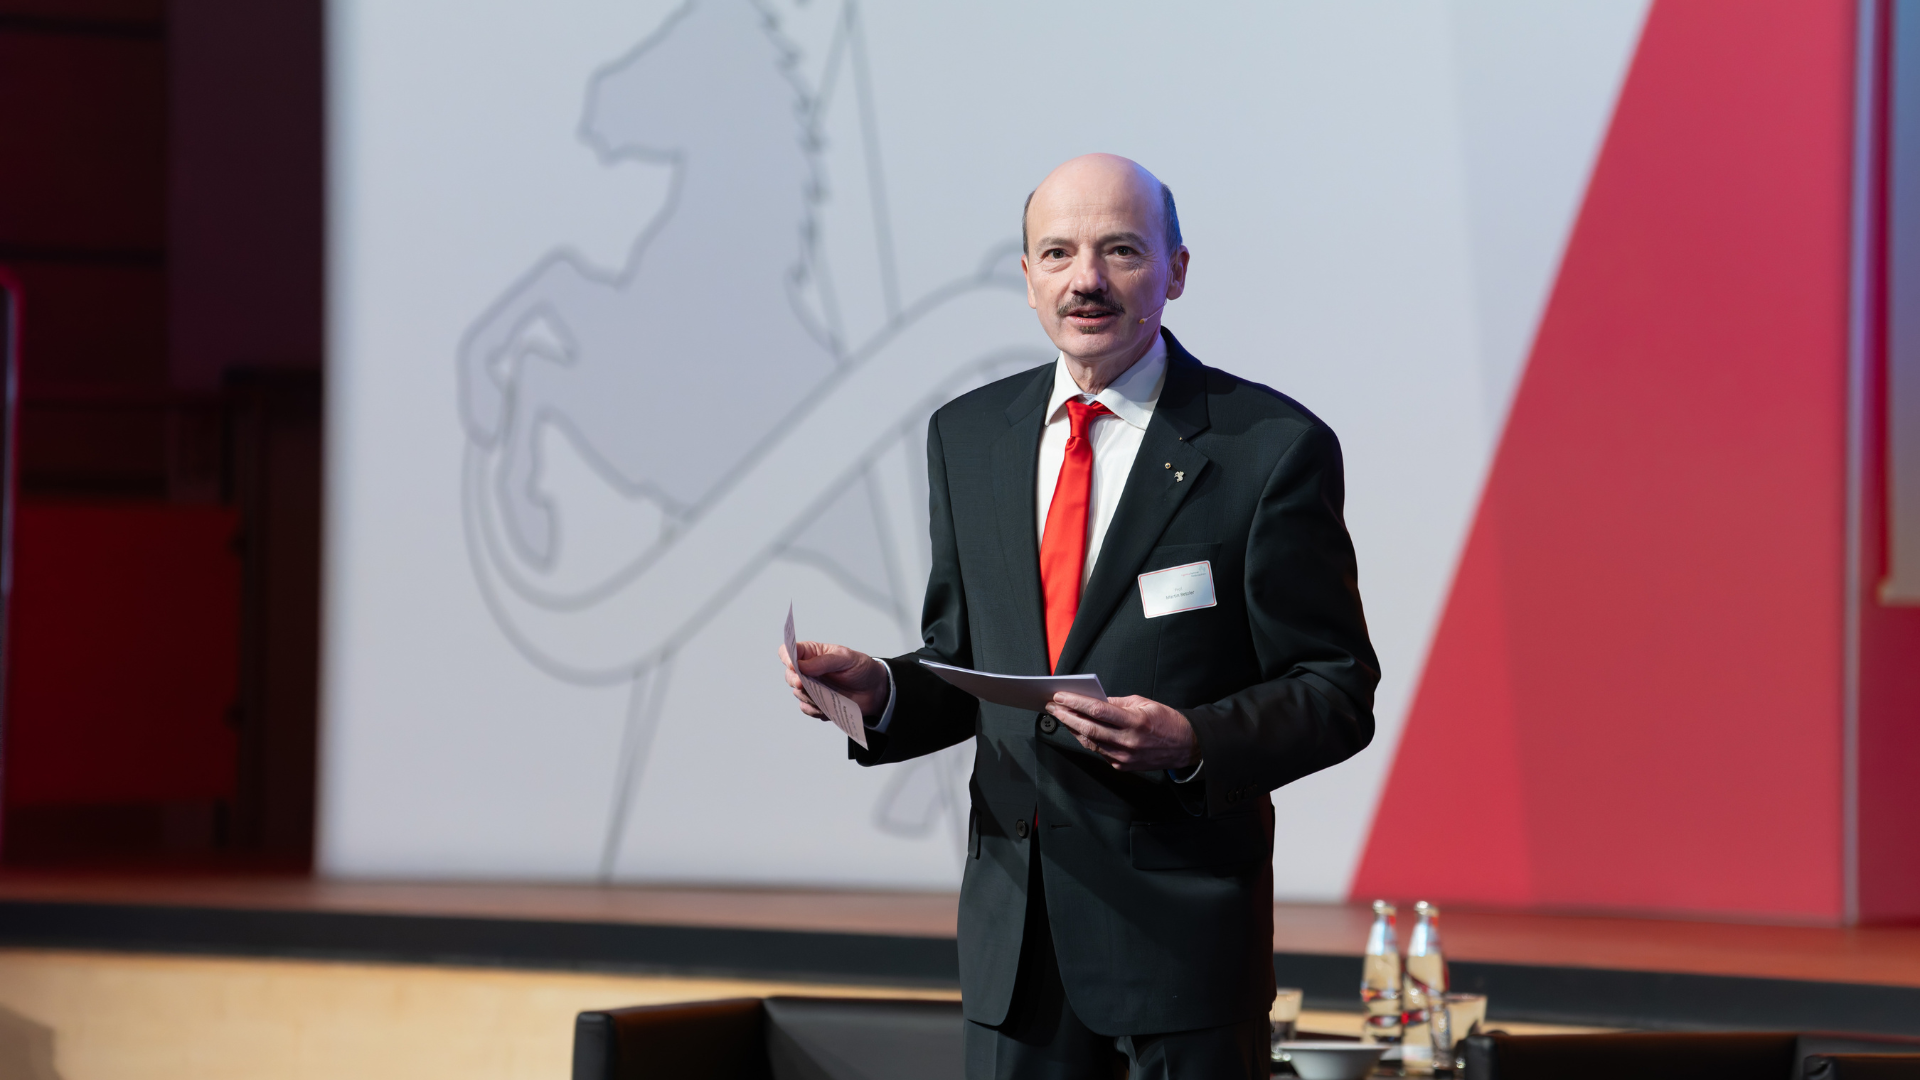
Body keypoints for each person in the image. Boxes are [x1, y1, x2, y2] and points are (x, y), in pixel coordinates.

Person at [779, 153, 1379, 1079]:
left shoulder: (1268, 449)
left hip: (1182, 960)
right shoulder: (969, 437)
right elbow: (971, 661)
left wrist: (1192, 739)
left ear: (1176, 271)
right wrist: (888, 690)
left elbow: (1336, 690)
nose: (1085, 279)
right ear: (1026, 280)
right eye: (1056, 253)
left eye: (1121, 250)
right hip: (1015, 953)